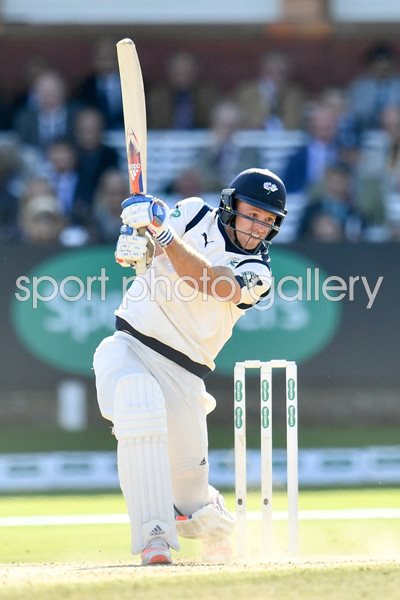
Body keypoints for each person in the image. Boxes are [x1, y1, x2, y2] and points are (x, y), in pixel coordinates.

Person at [93, 167, 287, 566]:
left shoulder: (259, 274)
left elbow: (208, 280)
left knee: (192, 503)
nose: (258, 227)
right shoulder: (194, 212)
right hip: (128, 343)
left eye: (268, 221)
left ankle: (212, 523)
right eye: (253, 213)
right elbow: (140, 257)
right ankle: (154, 539)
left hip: (184, 373)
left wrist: (162, 233)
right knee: (138, 405)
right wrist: (136, 231)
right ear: (231, 205)